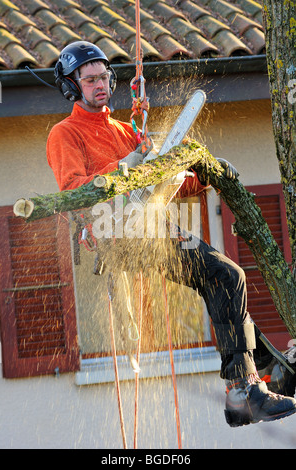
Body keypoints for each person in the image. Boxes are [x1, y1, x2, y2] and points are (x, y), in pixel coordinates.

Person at [47, 41, 296, 427]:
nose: (100, 85)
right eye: (90, 79)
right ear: (71, 86)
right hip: (116, 234)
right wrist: (125, 164)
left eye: (104, 77)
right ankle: (245, 386)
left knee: (223, 277)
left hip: (152, 224)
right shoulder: (64, 134)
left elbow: (161, 184)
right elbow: (73, 193)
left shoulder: (125, 129)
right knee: (227, 275)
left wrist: (203, 176)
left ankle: (248, 377)